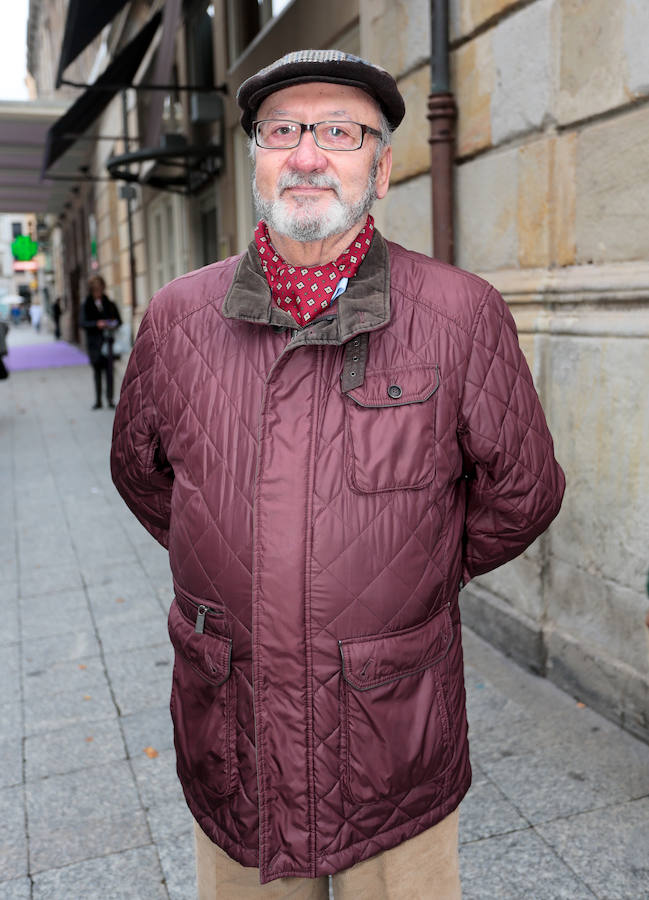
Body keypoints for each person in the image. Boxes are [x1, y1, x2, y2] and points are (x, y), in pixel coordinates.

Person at [111, 49, 565, 897]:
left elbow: (524, 490)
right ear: (257, 155)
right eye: (282, 130)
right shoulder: (177, 318)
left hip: (388, 736)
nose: (308, 153)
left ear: (382, 167)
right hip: (234, 735)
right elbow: (144, 476)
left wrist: (416, 569)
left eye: (339, 131)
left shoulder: (460, 313)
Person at [81, 274, 121, 409]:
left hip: (108, 343)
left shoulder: (109, 303)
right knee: (97, 372)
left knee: (109, 372)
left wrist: (111, 323)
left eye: (100, 290)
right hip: (94, 344)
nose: (98, 293)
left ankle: (110, 399)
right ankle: (98, 400)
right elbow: (82, 323)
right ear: (91, 291)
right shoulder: (86, 304)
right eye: (96, 290)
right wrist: (96, 324)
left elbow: (118, 320)